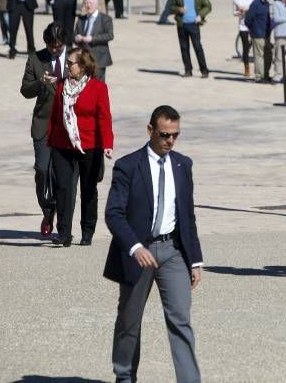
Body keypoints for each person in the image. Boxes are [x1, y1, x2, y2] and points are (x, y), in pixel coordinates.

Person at [104, 105, 203, 383]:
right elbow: (113, 213)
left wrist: (194, 259)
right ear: (150, 131)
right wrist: (135, 247)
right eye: (164, 135)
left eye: (175, 135)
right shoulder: (127, 166)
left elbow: (188, 214)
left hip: (173, 252)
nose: (170, 141)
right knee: (129, 321)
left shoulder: (183, 165)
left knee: (180, 320)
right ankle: (124, 377)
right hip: (138, 253)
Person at [47, 47, 114, 246]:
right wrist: (50, 141)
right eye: (67, 63)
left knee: (88, 188)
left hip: (90, 145)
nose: (67, 66)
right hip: (62, 144)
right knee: (64, 188)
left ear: (83, 66)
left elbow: (104, 118)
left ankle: (87, 230)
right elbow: (55, 116)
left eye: (70, 63)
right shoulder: (62, 86)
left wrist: (107, 144)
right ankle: (64, 233)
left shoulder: (98, 88)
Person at [20, 24, 67, 236]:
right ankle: (47, 210)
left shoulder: (75, 57)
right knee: (42, 170)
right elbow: (25, 90)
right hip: (43, 125)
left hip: (68, 127)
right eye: (51, 46)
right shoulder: (36, 58)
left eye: (58, 47)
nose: (54, 50)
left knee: (62, 176)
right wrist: (40, 82)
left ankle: (63, 221)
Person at [172, 0, 211, 78]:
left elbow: (208, 6)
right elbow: (171, 7)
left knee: (198, 47)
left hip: (194, 24)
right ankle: (188, 70)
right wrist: (178, 9)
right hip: (182, 24)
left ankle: (204, 71)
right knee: (184, 48)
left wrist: (200, 15)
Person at [74, 0, 114, 81]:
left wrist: (92, 39)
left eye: (91, 3)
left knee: (98, 84)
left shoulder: (105, 19)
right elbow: (74, 34)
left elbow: (110, 35)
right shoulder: (81, 19)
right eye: (86, 3)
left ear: (97, 5)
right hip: (84, 57)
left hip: (99, 57)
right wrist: (76, 38)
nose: (88, 5)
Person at [244, 0, 272, 82]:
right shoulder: (255, 4)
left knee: (268, 55)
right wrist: (253, 29)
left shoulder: (267, 3)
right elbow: (247, 19)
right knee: (259, 56)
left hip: (266, 34)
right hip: (258, 34)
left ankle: (266, 74)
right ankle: (259, 76)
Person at [233, 0, 256, 78]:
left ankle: (258, 68)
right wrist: (239, 12)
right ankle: (246, 68)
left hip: (253, 25)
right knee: (245, 48)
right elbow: (234, 12)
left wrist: (247, 9)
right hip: (243, 25)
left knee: (255, 45)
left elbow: (255, 10)